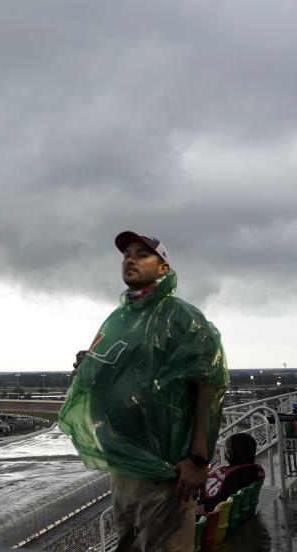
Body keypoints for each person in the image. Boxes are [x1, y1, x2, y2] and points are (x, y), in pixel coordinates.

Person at [58, 231, 229, 552]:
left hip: (166, 473)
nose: (130, 260)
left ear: (164, 268)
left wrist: (198, 459)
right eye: (126, 255)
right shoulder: (119, 320)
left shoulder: (182, 317)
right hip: (124, 469)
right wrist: (89, 372)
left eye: (142, 254)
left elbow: (207, 386)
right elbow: (122, 376)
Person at [199, 432, 265, 513]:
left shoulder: (238, 476)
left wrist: (200, 508)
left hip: (211, 514)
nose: (226, 453)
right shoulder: (252, 470)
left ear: (237, 453)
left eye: (228, 450)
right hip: (213, 505)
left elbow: (223, 500)